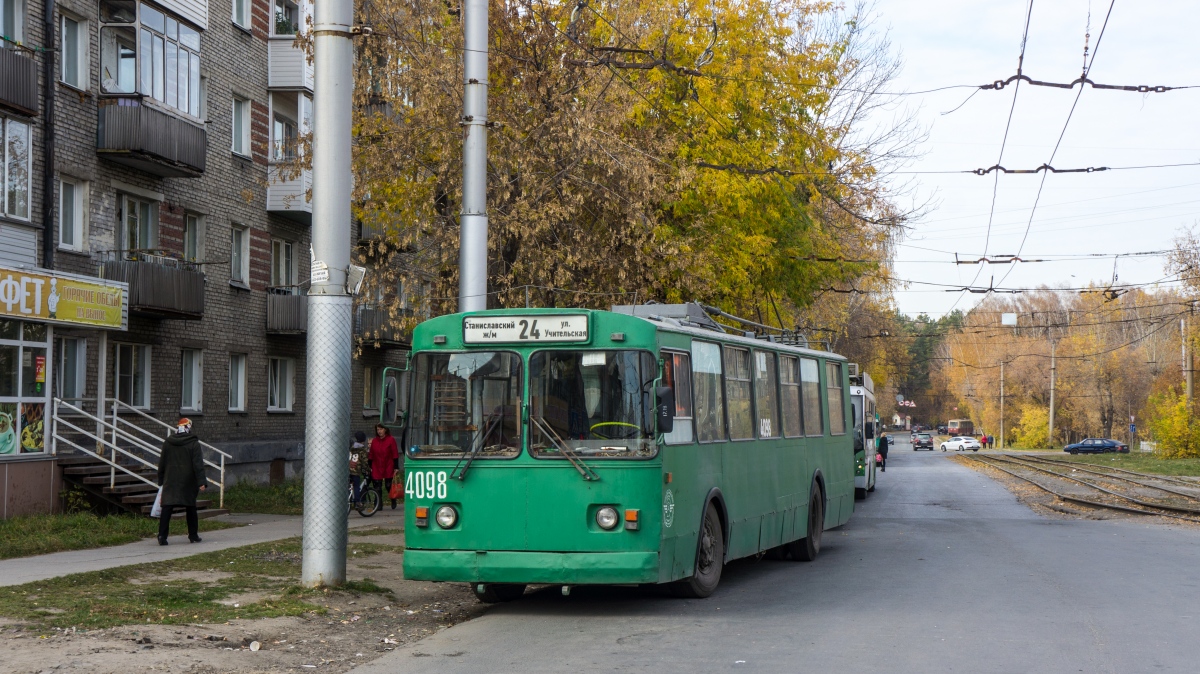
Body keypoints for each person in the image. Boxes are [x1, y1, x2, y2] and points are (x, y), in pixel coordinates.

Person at [157, 418, 207, 545]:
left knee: (167, 507)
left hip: (170, 480)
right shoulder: (194, 444)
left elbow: (162, 463)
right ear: (188, 428)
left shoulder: (168, 443)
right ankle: (193, 535)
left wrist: (161, 479)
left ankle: (162, 536)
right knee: (190, 508)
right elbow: (198, 464)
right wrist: (201, 481)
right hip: (188, 480)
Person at [370, 424, 400, 509]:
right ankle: (378, 504)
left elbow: (395, 453)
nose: (379, 431)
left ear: (385, 429)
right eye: (378, 429)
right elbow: (371, 454)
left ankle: (393, 499)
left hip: (388, 464)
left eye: (381, 429)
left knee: (388, 485)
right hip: (376, 465)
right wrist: (370, 466)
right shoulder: (374, 441)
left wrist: (396, 467)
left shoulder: (391, 439)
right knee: (377, 485)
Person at [349, 431, 369, 507]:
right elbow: (364, 462)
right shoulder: (362, 449)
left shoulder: (352, 447)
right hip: (356, 471)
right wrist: (367, 469)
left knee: (349, 485)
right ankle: (357, 502)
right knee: (356, 486)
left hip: (349, 469)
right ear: (364, 440)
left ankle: (348, 498)